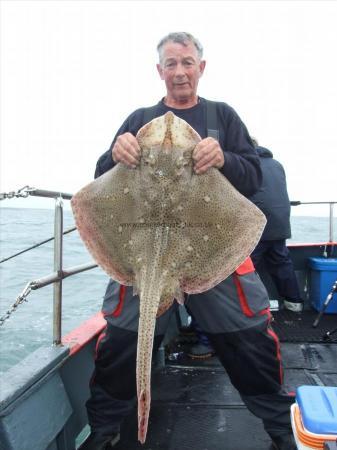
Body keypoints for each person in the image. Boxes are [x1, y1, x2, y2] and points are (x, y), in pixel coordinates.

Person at [79, 32, 296, 450]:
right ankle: (104, 429)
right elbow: (101, 179)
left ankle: (281, 428)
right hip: (141, 252)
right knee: (123, 341)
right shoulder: (139, 117)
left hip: (214, 248)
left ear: (201, 67)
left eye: (187, 62)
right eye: (171, 64)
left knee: (248, 337)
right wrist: (114, 153)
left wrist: (225, 159)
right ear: (159, 71)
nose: (180, 72)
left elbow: (253, 176)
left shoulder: (223, 116)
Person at [249, 141, 303, 313]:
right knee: (282, 261)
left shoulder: (247, 165)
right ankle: (294, 302)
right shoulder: (277, 164)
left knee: (248, 266)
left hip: (259, 224)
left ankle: (253, 307)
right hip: (280, 222)